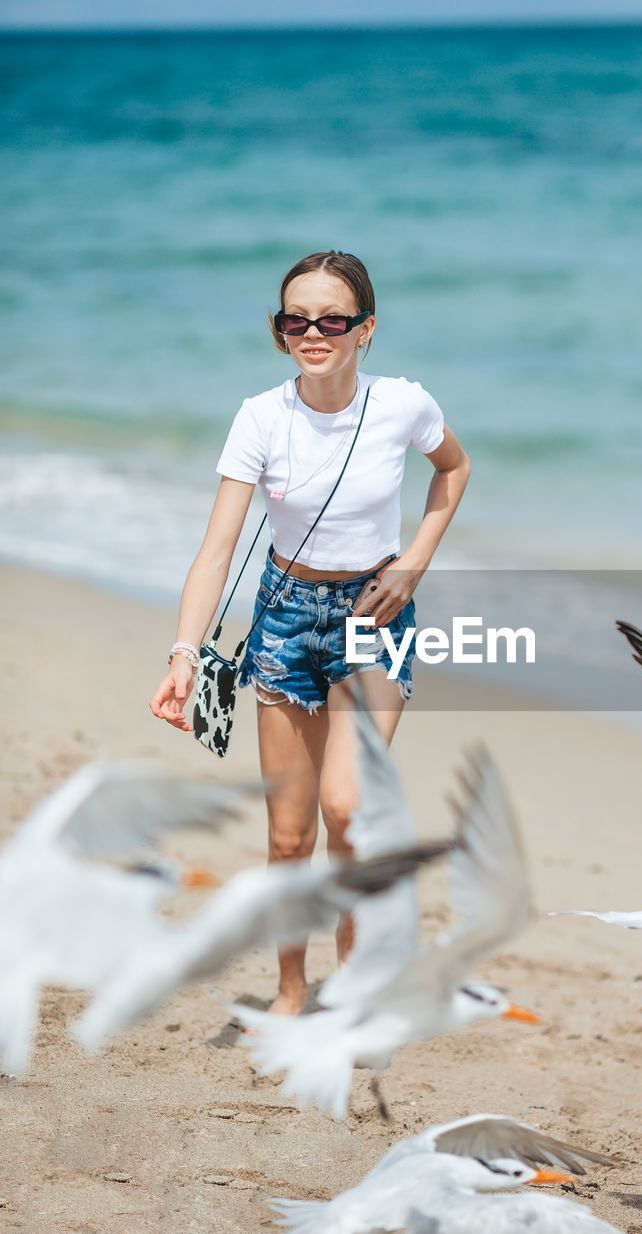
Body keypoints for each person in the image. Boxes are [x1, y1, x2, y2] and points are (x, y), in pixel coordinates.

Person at [149, 250, 470, 1016]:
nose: (313, 332)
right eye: (297, 319)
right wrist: (184, 653)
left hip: (375, 617)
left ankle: (355, 982)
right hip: (285, 617)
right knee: (289, 838)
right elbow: (217, 548)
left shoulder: (402, 404)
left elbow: (453, 470)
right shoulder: (261, 417)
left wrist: (416, 561)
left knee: (347, 811)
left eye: (332, 319)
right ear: (277, 330)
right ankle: (293, 992)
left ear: (364, 330)